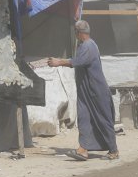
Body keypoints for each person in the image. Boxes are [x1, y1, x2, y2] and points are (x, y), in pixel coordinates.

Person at [47, 19, 119, 161]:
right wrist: (59, 61)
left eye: (76, 32)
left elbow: (78, 61)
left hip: (96, 91)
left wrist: (59, 62)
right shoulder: (83, 46)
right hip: (85, 92)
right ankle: (83, 149)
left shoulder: (89, 46)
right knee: (84, 119)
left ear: (79, 33)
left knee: (103, 120)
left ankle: (114, 151)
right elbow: (76, 61)